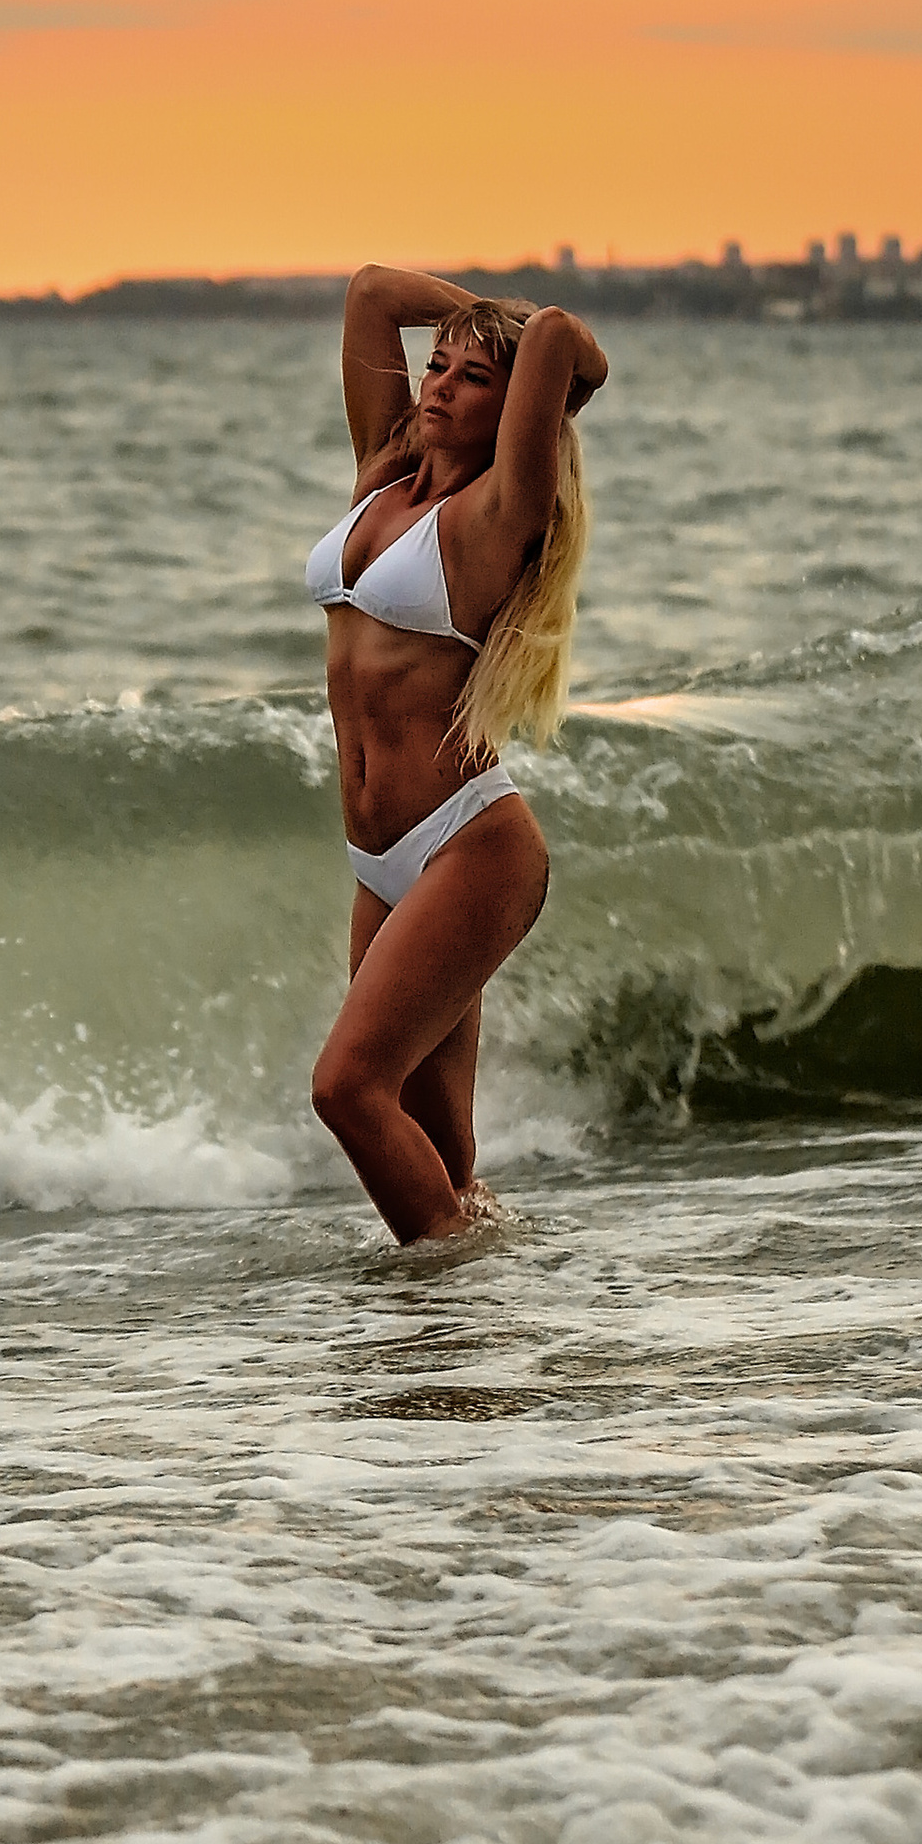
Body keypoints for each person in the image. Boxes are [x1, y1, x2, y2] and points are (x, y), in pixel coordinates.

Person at [306, 265, 605, 1242]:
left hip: (467, 848)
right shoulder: (382, 477)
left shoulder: (496, 515)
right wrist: (470, 323)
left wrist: (521, 344)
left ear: (515, 409)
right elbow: (368, 295)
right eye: (433, 366)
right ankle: (474, 1345)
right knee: (446, 1157)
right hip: (379, 864)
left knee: (349, 1089)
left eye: (471, 379)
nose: (435, 385)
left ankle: (441, 1322)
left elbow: (561, 335)